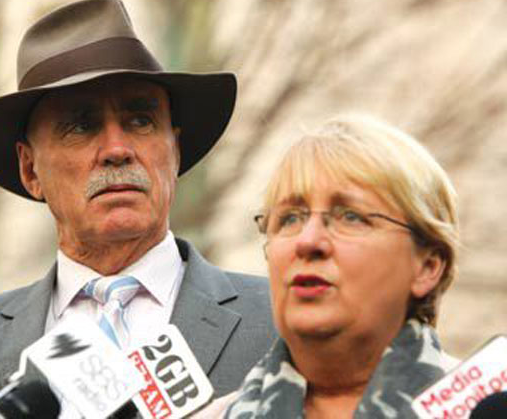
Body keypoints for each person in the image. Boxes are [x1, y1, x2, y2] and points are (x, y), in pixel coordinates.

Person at [0, 0, 275, 418]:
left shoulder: (280, 325)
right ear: (30, 170)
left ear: (175, 150)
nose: (117, 149)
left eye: (140, 121)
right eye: (81, 126)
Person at [196, 115, 460, 418]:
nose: (308, 241)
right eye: (290, 218)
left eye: (350, 216)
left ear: (427, 267)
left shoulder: (483, 403)